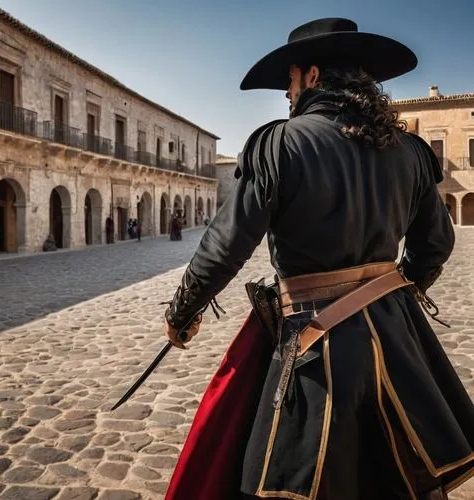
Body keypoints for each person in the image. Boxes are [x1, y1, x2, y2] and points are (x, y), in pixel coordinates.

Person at [163, 18, 474, 500]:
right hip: (397, 336)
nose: (287, 96)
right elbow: (436, 245)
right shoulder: (410, 151)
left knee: (299, 480)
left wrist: (182, 313)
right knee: (394, 476)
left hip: (314, 338)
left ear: (310, 76)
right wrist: (392, 295)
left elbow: (225, 246)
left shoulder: (277, 144)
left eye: (288, 82)